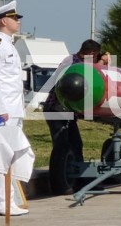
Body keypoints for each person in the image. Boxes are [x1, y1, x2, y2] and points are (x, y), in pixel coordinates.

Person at [0, 1, 29, 215]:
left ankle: (8, 200)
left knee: (11, 156)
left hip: (14, 109)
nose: (18, 21)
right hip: (3, 111)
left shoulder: (9, 45)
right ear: (3, 20)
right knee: (0, 156)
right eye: (14, 18)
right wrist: (0, 109)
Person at [43, 39, 110, 180]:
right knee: (62, 143)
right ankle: (63, 177)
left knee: (75, 143)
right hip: (56, 108)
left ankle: (78, 176)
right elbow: (88, 75)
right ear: (91, 53)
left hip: (66, 109)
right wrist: (102, 62)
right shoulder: (72, 62)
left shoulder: (77, 60)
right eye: (96, 55)